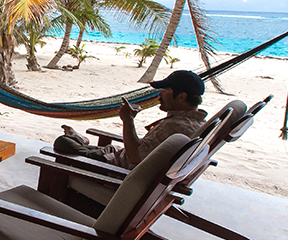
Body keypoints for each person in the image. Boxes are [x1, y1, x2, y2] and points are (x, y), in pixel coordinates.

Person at [54, 69, 208, 168]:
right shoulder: (196, 124)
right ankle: (79, 140)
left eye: (164, 91)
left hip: (114, 166)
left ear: (181, 97)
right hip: (119, 153)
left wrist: (128, 120)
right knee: (90, 148)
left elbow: (135, 157)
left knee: (62, 143)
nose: (159, 95)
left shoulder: (174, 127)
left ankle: (79, 139)